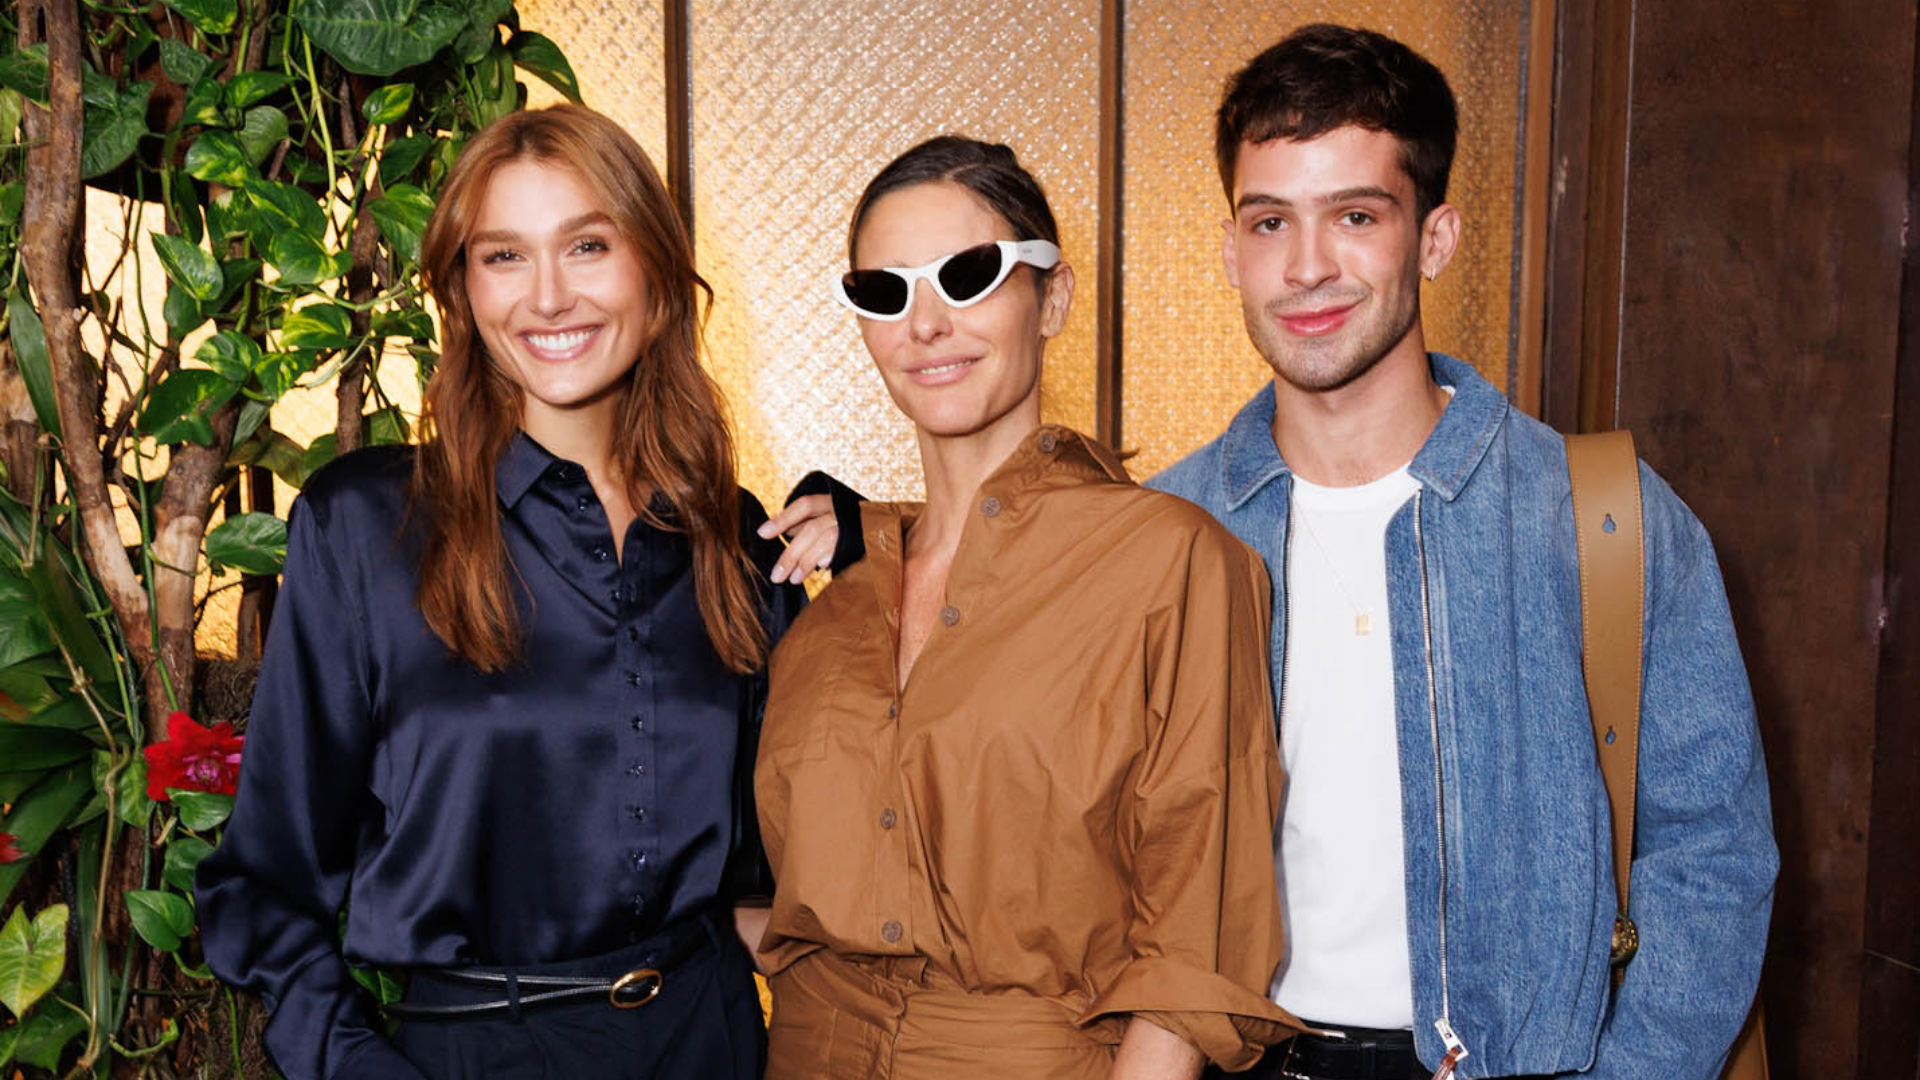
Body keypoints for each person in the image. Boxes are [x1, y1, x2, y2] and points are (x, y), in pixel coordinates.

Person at [765, 25, 1776, 1080]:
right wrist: (867, 525)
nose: (1307, 267)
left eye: (1355, 216)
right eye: (1268, 221)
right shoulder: (1166, 527)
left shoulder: (1598, 518)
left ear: (1433, 239)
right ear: (1229, 250)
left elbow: (1712, 855)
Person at [196, 105, 803, 1080]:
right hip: (474, 1054)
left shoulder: (728, 534)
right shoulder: (368, 527)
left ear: (655, 276)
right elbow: (264, 887)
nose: (551, 296)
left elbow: (777, 880)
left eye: (589, 246)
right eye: (505, 256)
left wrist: (877, 547)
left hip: (713, 1039)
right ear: (461, 292)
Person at [749, 135, 1300, 1080]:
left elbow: (1193, 944)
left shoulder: (1174, 562)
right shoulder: (832, 600)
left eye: (967, 276)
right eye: (886, 292)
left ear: (1053, 297)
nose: (926, 324)